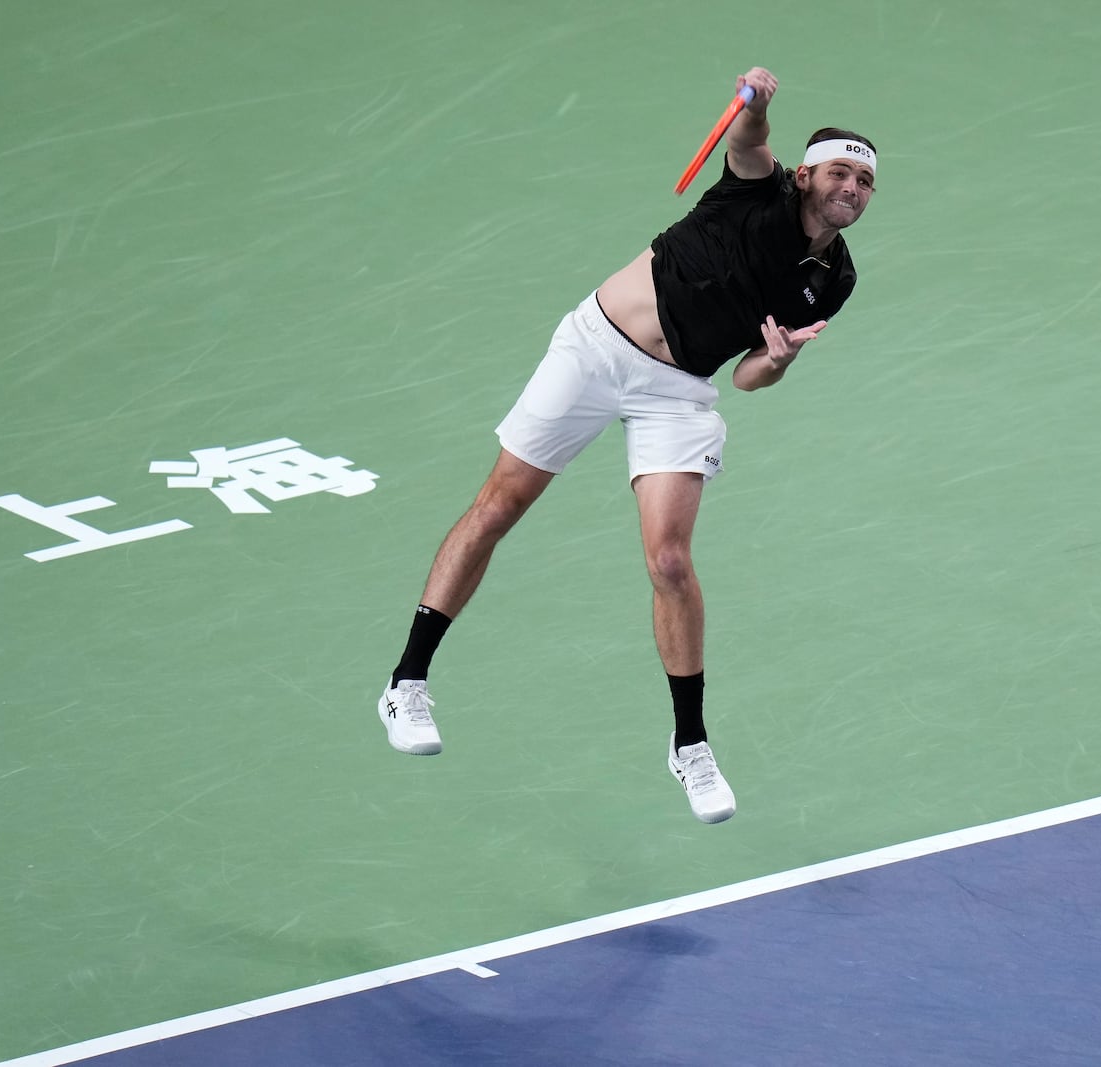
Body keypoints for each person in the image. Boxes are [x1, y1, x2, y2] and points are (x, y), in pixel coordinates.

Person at [376, 66, 877, 824]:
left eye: (866, 180)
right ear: (805, 174)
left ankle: (690, 743)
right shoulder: (758, 188)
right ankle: (406, 681)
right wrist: (759, 105)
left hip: (677, 392)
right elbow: (748, 141)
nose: (852, 185)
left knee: (670, 560)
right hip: (595, 350)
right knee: (500, 504)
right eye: (840, 170)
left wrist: (776, 361)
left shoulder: (833, 279)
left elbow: (746, 378)